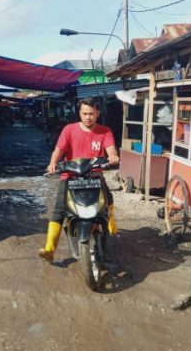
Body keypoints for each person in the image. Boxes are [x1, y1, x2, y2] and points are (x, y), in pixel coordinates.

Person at [39, 97, 120, 263]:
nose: (88, 117)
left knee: (107, 200)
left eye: (91, 113)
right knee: (60, 210)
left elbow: (111, 149)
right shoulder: (69, 129)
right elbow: (58, 150)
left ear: (98, 113)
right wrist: (53, 163)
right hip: (70, 176)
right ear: (79, 113)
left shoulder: (105, 131)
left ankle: (110, 222)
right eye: (84, 113)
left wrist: (112, 156)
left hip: (94, 175)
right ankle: (49, 249)